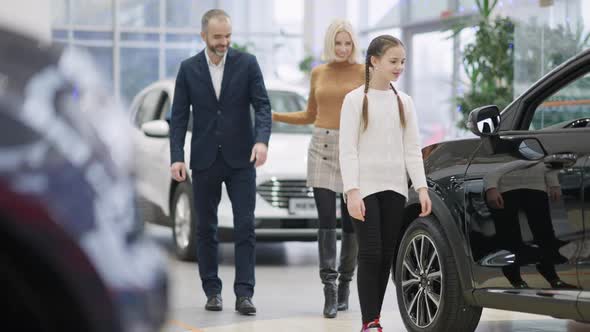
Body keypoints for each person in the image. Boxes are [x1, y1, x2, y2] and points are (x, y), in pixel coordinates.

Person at [169, 9, 271, 316]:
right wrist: (177, 156)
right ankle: (212, 291)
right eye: (217, 37)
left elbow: (263, 106)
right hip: (204, 159)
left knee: (245, 227)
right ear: (203, 36)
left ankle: (244, 294)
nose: (224, 41)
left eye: (228, 35)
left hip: (242, 159)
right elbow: (178, 117)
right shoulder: (188, 69)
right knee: (205, 228)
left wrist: (262, 140)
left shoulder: (247, 63)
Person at [339, 35, 432, 332]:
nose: (399, 67)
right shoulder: (354, 100)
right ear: (374, 61)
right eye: (393, 61)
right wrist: (351, 191)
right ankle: (370, 322)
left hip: (394, 189)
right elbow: (348, 150)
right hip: (364, 190)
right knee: (369, 252)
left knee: (387, 255)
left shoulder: (404, 102)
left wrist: (421, 187)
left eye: (402, 62)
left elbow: (411, 149)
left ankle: (374, 318)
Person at [272, 19, 364, 318]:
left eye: (347, 43)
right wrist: (274, 114)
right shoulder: (318, 73)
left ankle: (346, 284)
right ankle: (330, 289)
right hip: (321, 147)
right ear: (330, 44)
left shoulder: (365, 72)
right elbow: (311, 114)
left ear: (354, 45)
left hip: (354, 150)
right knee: (326, 221)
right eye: (337, 43)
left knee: (351, 223)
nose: (342, 48)